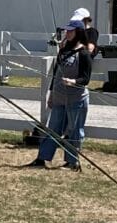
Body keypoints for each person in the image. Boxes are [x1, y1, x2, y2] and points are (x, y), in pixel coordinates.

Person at [25, 17, 92, 171]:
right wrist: (51, 94)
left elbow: (86, 78)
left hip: (77, 100)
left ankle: (72, 162)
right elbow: (55, 74)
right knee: (53, 128)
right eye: (67, 31)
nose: (67, 33)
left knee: (74, 130)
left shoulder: (83, 53)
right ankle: (42, 158)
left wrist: (73, 81)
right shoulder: (63, 50)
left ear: (78, 32)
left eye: (71, 31)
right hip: (59, 98)